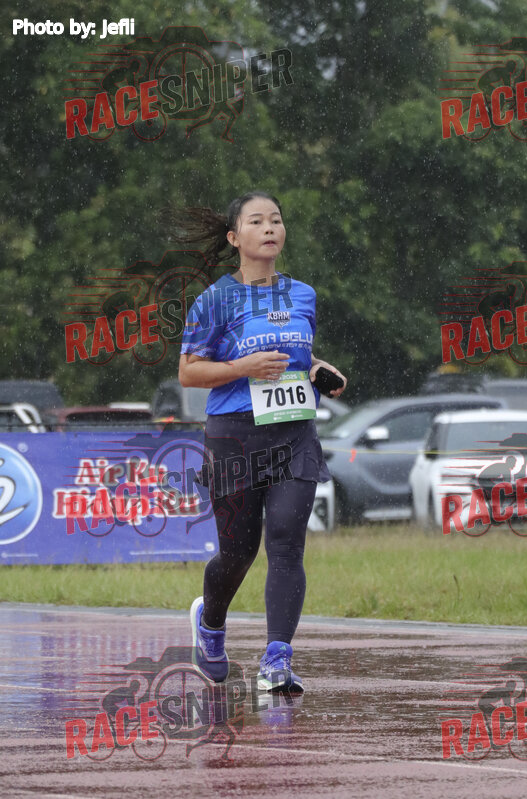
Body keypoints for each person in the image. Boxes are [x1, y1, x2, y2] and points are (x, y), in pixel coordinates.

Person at [176, 191, 347, 692]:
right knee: (238, 552)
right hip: (234, 437)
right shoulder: (215, 300)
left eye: (276, 220)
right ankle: (210, 623)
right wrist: (241, 368)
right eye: (256, 221)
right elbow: (188, 372)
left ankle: (277, 660)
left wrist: (319, 370)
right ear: (235, 237)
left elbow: (299, 357)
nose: (269, 228)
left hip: (294, 433)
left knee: (287, 544)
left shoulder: (303, 294)